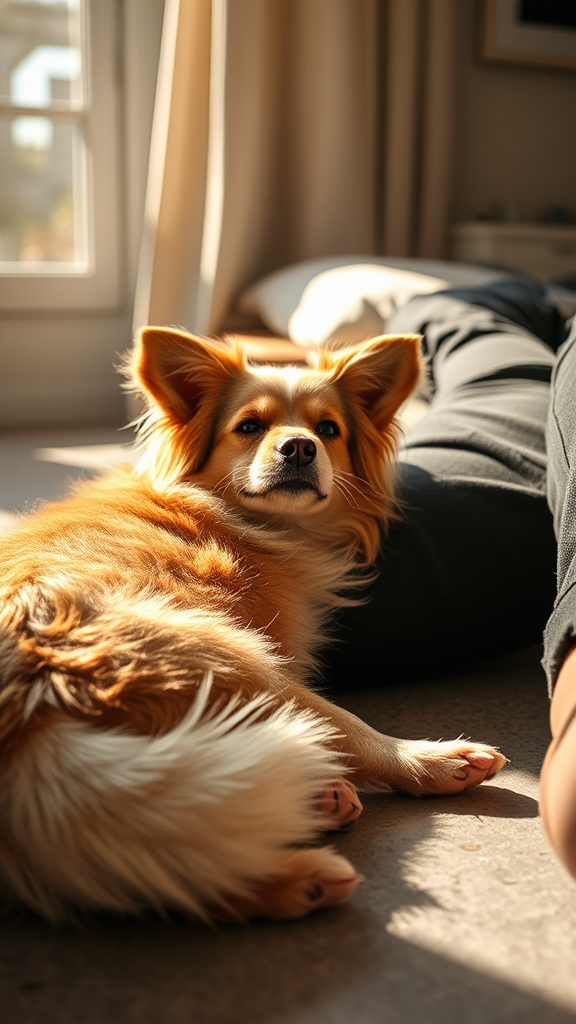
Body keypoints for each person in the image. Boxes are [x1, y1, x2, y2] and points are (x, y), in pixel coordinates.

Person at [320, 276, 576, 881]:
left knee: (465, 323)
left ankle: (540, 301)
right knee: (465, 324)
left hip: (495, 494)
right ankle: (545, 299)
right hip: (491, 503)